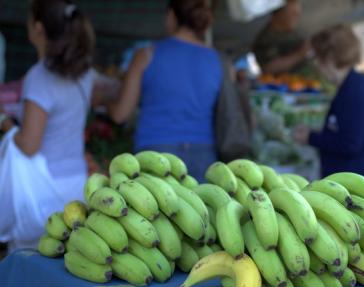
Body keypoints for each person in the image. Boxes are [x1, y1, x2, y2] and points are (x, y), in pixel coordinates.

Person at [0, 0, 111, 249]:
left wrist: (4, 121)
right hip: (77, 184)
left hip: (43, 190)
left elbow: (29, 145)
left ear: (38, 28)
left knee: (30, 266)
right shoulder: (84, 74)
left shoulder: (39, 77)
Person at [106, 0, 222, 182]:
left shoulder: (145, 55)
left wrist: (104, 102)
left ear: (171, 16)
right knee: (203, 211)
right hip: (204, 155)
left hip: (155, 154)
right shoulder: (218, 60)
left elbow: (121, 114)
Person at [293, 24, 364, 178]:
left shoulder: (354, 90)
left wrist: (311, 137)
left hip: (354, 182)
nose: (316, 65)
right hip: (350, 178)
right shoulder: (351, 85)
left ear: (330, 58)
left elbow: (350, 144)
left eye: (318, 58)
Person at [252, 0, 312, 75]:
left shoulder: (293, 33)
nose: (297, 16)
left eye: (297, 13)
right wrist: (300, 54)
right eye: (293, 13)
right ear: (279, 13)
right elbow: (268, 67)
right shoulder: (267, 39)